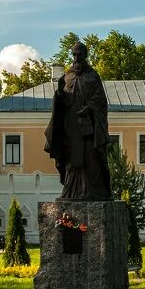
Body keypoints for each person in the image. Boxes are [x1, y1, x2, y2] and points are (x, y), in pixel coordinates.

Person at [44, 42, 113, 200]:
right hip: (71, 125)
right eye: (74, 55)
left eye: (79, 54)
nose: (76, 58)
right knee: (70, 159)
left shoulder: (93, 76)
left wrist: (89, 108)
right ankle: (71, 191)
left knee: (91, 157)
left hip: (88, 126)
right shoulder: (68, 75)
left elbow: (101, 100)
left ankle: (93, 191)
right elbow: (63, 101)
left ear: (85, 55)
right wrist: (60, 92)